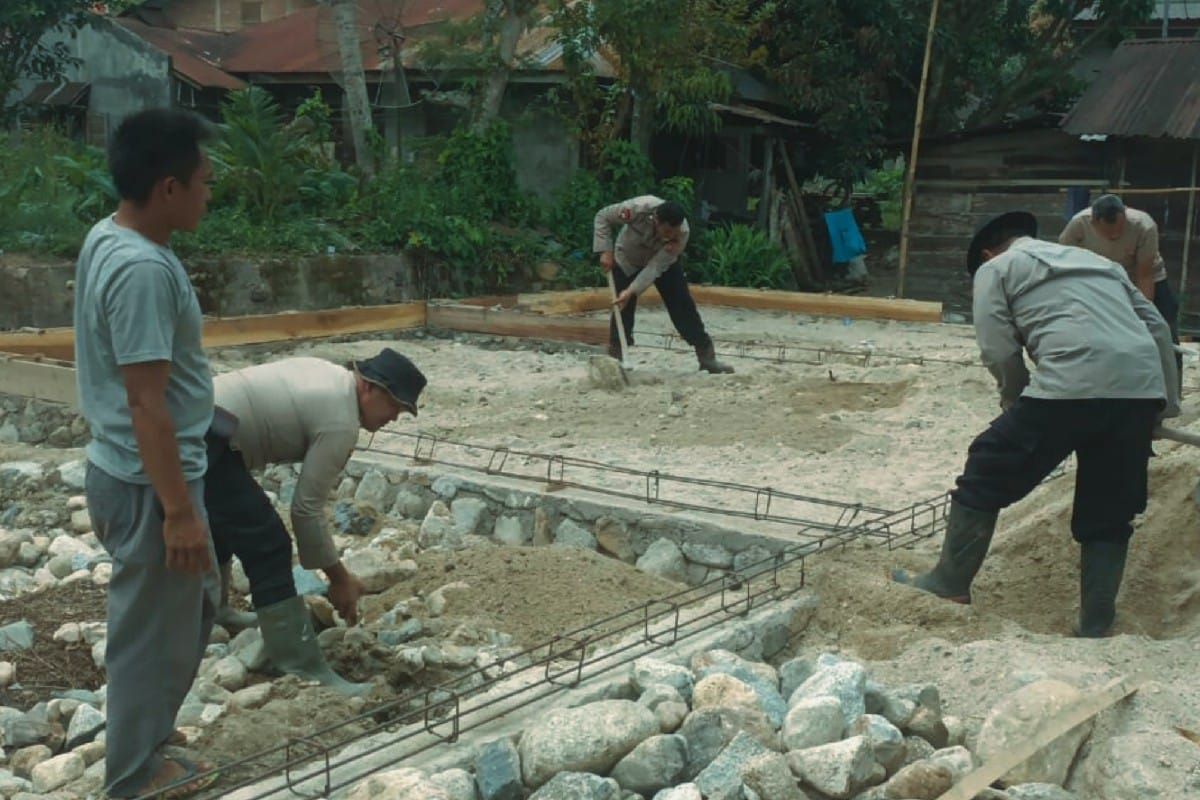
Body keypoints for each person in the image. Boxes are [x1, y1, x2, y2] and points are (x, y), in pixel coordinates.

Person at [893, 211, 1179, 638]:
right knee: (1109, 509)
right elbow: (1156, 326)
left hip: (1069, 383)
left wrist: (1015, 398)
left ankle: (949, 584)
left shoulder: (996, 269)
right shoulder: (1100, 264)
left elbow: (997, 348)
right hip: (1139, 389)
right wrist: (1163, 405)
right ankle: (1096, 623)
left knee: (987, 466)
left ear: (988, 253)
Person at [75, 109, 220, 799]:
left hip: (143, 474)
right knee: (147, 633)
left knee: (193, 608)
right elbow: (146, 403)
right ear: (168, 188)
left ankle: (150, 732)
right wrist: (177, 512)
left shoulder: (112, 237)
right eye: (203, 182)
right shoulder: (139, 270)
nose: (208, 195)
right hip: (147, 484)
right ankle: (133, 776)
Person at [205, 349, 426, 695]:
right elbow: (306, 510)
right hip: (208, 436)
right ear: (369, 387)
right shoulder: (341, 420)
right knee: (269, 543)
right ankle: (301, 666)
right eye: (395, 407)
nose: (395, 418)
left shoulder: (330, 377)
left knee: (226, 516)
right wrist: (340, 578)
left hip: (195, 417)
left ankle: (216, 612)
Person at [593, 196, 734, 374]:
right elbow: (602, 217)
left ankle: (706, 356)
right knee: (622, 308)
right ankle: (617, 357)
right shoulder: (637, 209)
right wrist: (605, 250)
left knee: (682, 304)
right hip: (627, 258)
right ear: (655, 220)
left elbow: (655, 267)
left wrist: (632, 290)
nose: (670, 237)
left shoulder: (682, 233)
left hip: (661, 263)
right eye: (666, 232)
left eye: (673, 233)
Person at [1059, 194, 1182, 375]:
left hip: (1144, 277)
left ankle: (1172, 375)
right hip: (1101, 279)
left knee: (1163, 326)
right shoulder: (1078, 225)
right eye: (1109, 233)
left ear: (1125, 214)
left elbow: (1145, 275)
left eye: (1120, 230)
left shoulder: (1144, 225)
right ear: (1094, 222)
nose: (1115, 235)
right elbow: (1065, 264)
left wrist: (1143, 314)